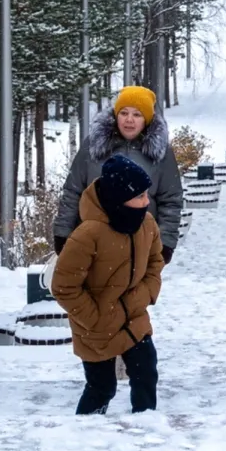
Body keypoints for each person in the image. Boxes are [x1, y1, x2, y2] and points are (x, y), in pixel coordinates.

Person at [53, 154, 165, 414]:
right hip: (95, 328)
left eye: (147, 194)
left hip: (134, 317)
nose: (147, 202)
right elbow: (64, 286)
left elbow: (155, 261)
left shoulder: (146, 224)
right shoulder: (88, 234)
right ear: (119, 200)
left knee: (146, 373)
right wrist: (95, 319)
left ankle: (145, 429)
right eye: (139, 196)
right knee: (102, 387)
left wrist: (146, 294)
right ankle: (85, 436)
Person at [54, 86, 184, 264]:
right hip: (93, 245)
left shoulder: (161, 153)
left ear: (146, 119)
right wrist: (62, 233)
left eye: (137, 115)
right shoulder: (93, 145)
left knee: (138, 292)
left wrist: (165, 244)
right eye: (124, 113)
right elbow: (73, 191)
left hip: (140, 246)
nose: (129, 120)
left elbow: (171, 200)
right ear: (116, 115)